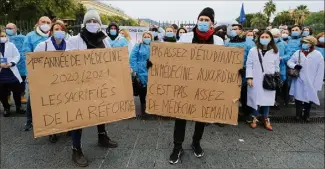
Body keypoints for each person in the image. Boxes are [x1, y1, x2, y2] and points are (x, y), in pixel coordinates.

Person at [169, 7, 224, 165]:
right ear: (197, 20)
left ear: (212, 23)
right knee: (181, 116)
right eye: (202, 19)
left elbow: (224, 64)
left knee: (201, 115)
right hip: (185, 84)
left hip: (206, 85)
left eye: (207, 20)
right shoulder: (185, 37)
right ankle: (177, 146)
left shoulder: (219, 41)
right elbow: (174, 58)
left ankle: (196, 142)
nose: (204, 22)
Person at [67, 9, 118, 167]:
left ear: (100, 24)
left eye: (95, 21)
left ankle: (102, 135)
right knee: (79, 117)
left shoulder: (105, 40)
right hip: (80, 85)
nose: (92, 24)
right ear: (84, 24)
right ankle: (76, 148)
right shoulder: (75, 40)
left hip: (100, 84)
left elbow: (111, 60)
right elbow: (68, 61)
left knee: (101, 111)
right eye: (89, 21)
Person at [33, 21, 73, 143]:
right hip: (49, 82)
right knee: (52, 106)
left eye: (61, 29)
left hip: (66, 81)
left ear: (64, 32)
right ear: (51, 31)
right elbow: (34, 62)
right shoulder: (42, 46)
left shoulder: (70, 46)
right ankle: (52, 130)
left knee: (66, 104)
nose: (59, 31)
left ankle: (67, 126)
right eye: (56, 29)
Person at [246, 30, 280, 131]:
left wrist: (276, 78)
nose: (264, 39)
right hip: (256, 78)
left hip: (269, 79)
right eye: (262, 37)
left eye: (266, 37)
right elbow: (249, 64)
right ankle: (254, 118)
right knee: (255, 99)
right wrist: (249, 77)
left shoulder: (275, 51)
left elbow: (277, 65)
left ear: (270, 39)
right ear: (259, 38)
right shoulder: (253, 50)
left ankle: (266, 118)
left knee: (267, 100)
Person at [23, 16, 52, 131]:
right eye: (43, 22)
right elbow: (26, 56)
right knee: (33, 96)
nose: (45, 24)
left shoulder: (54, 34)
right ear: (38, 23)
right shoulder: (30, 36)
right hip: (36, 72)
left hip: (51, 73)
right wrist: (28, 74)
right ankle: (29, 121)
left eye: (48, 22)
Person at [287, 36, 324, 122]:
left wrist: (317, 83)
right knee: (298, 97)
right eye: (303, 42)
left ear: (312, 44)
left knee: (310, 97)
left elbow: (320, 70)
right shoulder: (298, 53)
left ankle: (307, 114)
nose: (304, 44)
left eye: (307, 42)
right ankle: (298, 114)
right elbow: (289, 62)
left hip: (312, 80)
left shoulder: (318, 54)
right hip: (299, 79)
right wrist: (294, 65)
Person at [226, 23, 253, 123]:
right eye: (232, 29)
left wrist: (246, 69)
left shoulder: (249, 43)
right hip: (231, 73)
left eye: (235, 29)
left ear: (241, 30)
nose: (233, 31)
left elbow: (252, 58)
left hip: (244, 72)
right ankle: (231, 113)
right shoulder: (228, 43)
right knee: (231, 94)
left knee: (245, 94)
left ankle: (247, 114)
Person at [0, 30, 26, 117]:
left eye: (4, 36)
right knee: (2, 93)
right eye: (1, 36)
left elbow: (17, 55)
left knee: (17, 92)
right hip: (1, 74)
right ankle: (6, 108)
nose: (3, 38)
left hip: (11, 73)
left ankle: (19, 107)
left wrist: (12, 63)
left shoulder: (11, 45)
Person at [129, 32, 153, 117]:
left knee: (151, 90)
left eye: (148, 36)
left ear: (151, 37)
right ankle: (143, 109)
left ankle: (151, 108)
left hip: (151, 70)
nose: (146, 38)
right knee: (142, 91)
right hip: (141, 71)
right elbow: (132, 58)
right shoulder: (138, 46)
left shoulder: (154, 46)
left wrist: (152, 63)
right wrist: (135, 70)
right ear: (142, 38)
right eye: (145, 37)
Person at [5, 23, 27, 104]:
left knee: (21, 80)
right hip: (8, 63)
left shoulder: (23, 38)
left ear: (16, 29)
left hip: (21, 63)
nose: (9, 30)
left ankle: (22, 95)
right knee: (6, 80)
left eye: (11, 28)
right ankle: (7, 96)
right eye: (7, 28)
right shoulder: (4, 38)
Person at [271, 28, 289, 107]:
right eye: (273, 36)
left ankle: (279, 101)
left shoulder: (284, 44)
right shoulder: (268, 44)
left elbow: (288, 55)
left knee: (280, 85)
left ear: (280, 35)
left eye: (276, 36)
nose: (275, 38)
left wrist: (282, 58)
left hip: (281, 67)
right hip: (270, 68)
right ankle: (272, 101)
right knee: (270, 84)